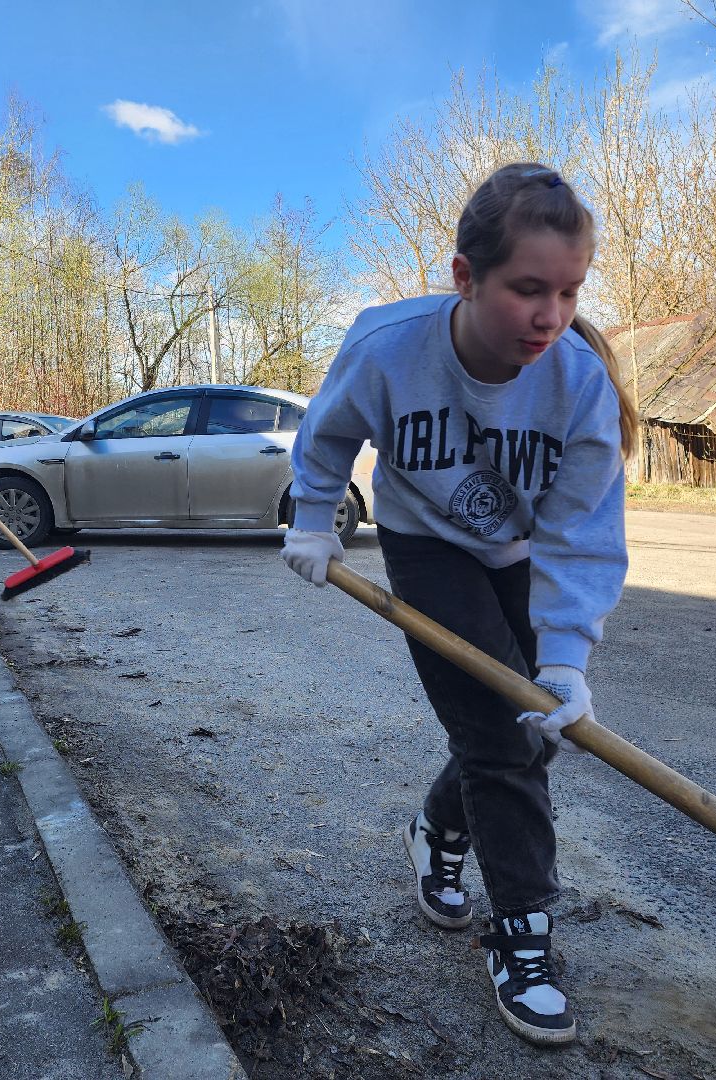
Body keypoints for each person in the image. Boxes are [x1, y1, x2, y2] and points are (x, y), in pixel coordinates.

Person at [281, 162, 638, 1047]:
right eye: (527, 290)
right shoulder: (388, 345)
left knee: (531, 719)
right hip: (426, 544)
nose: (550, 316)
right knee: (497, 732)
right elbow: (327, 434)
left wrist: (565, 657)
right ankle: (521, 930)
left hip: (520, 553)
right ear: (465, 277)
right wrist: (314, 519)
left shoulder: (577, 382)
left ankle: (439, 824)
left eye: (569, 290)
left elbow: (583, 531)